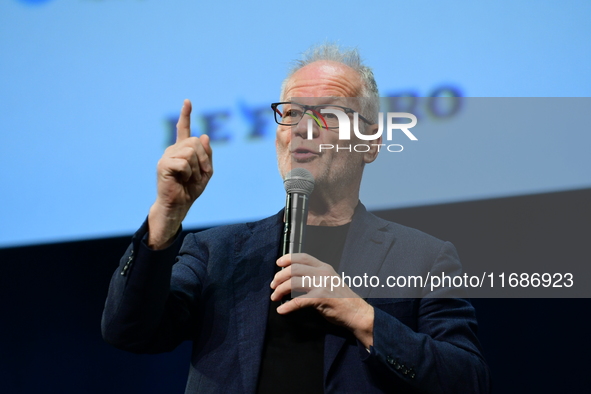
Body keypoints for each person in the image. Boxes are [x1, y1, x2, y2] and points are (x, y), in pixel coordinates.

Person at [102, 44, 491, 393]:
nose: (303, 128)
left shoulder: (423, 257)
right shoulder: (215, 251)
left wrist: (362, 315)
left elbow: (467, 380)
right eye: (291, 113)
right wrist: (167, 216)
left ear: (370, 144)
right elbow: (129, 331)